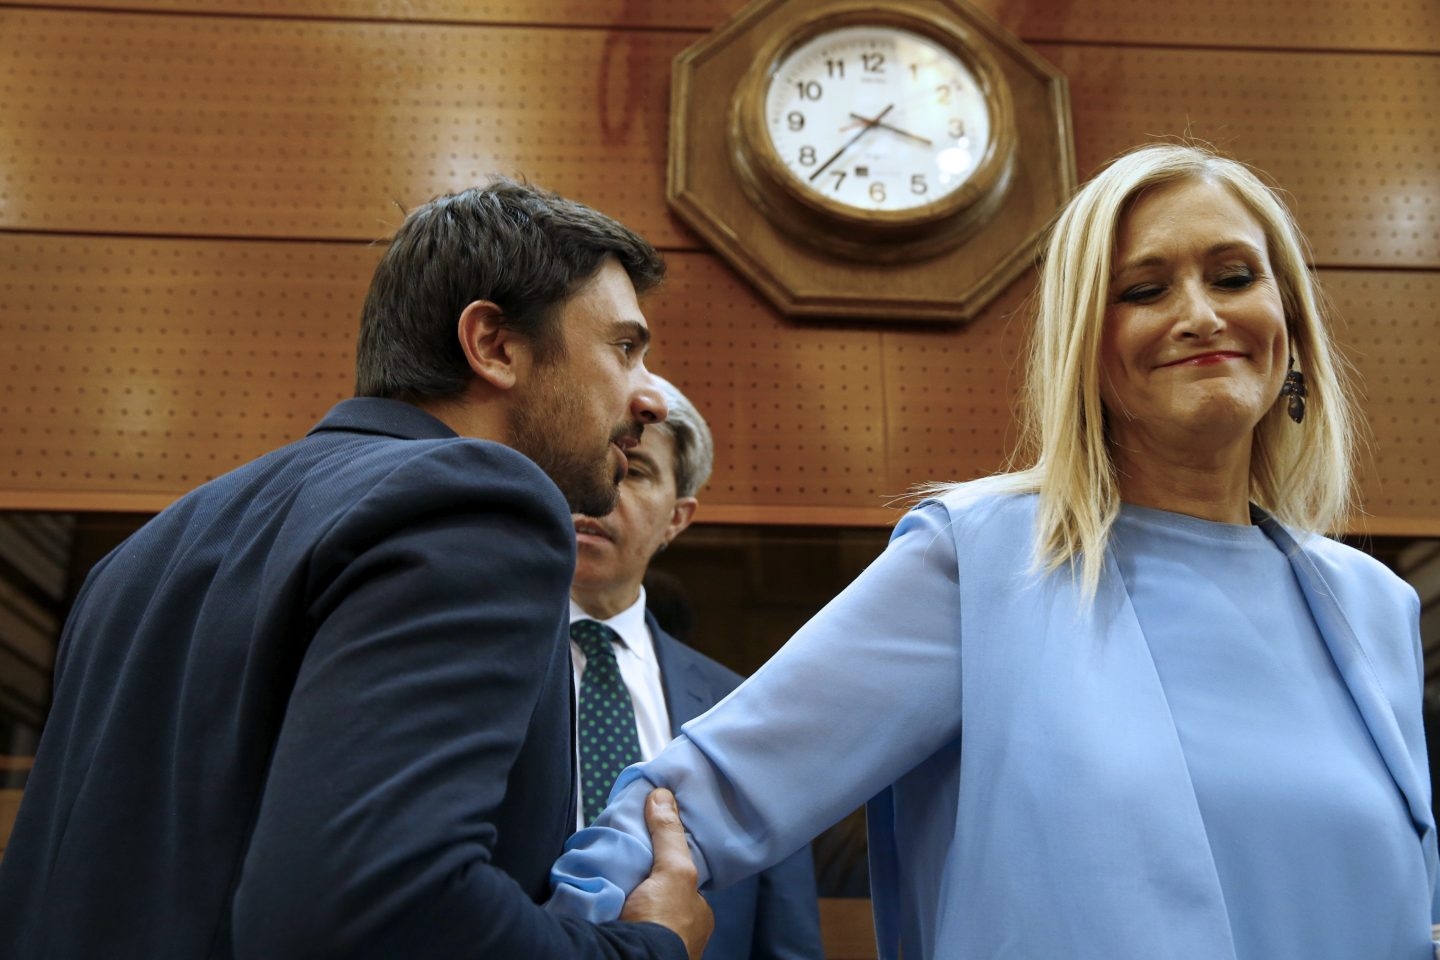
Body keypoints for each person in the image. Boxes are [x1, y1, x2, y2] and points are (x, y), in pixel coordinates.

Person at [547, 142, 1440, 959]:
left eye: (1235, 276)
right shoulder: (979, 564)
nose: (1201, 315)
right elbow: (697, 798)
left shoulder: (1373, 605)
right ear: (1087, 351)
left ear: (1290, 329)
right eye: (1144, 289)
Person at [0, 180, 711, 960]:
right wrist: (646, 947)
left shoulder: (143, 553)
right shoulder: (481, 502)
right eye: (624, 347)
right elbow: (378, 909)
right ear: (495, 346)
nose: (649, 399)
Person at [568, 377, 824, 960]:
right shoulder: (484, 670)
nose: (601, 493)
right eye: (591, 464)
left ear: (677, 519)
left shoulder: (743, 708)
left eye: (634, 473)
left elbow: (785, 941)